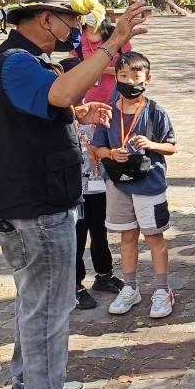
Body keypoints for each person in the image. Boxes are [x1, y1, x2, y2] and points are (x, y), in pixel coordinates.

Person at [0, 0, 150, 389]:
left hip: (30, 202)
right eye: (68, 19)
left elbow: (51, 102)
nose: (75, 27)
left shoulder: (27, 61)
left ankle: (28, 387)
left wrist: (76, 114)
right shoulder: (17, 61)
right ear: (44, 19)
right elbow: (59, 91)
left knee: (36, 302)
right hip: (34, 207)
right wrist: (112, 43)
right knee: (50, 305)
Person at [92, 52, 178, 319]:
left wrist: (152, 145)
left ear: (147, 79)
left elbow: (171, 146)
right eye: (124, 76)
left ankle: (163, 290)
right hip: (117, 183)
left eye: (136, 76)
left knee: (154, 237)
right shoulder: (109, 110)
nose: (130, 81)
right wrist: (110, 154)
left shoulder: (155, 111)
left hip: (149, 183)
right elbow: (98, 147)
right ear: (116, 77)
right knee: (127, 237)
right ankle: (130, 287)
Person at [74, 117, 113, 309]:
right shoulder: (65, 120)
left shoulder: (98, 122)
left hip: (98, 186)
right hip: (74, 189)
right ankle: (74, 285)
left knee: (100, 233)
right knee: (76, 238)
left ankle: (104, 275)